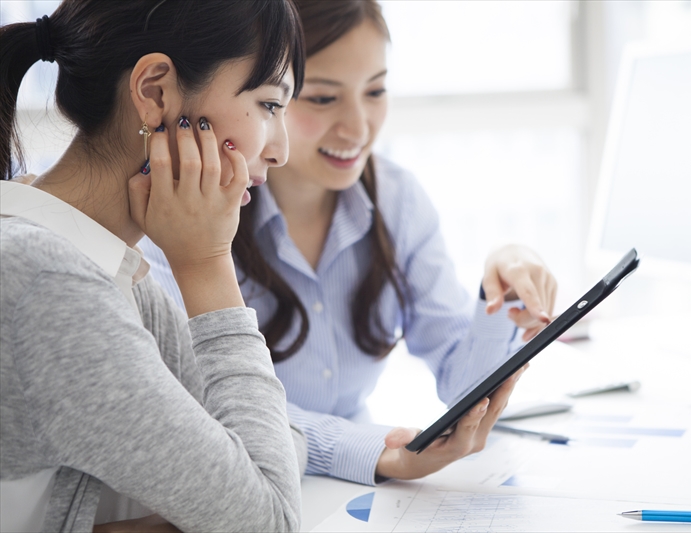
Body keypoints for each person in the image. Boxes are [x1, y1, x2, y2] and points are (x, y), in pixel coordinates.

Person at [140, 0, 557, 486]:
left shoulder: (396, 200)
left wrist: (500, 295)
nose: (359, 129)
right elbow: (206, 400)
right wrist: (369, 452)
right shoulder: (182, 217)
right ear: (266, 99)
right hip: (252, 486)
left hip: (360, 490)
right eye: (321, 98)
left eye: (376, 90)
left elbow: (463, 385)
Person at [0, 1, 307, 531]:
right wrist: (207, 265)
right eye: (268, 104)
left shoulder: (114, 274)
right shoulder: (46, 280)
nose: (280, 150)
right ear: (155, 93)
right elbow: (269, 518)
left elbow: (277, 449)